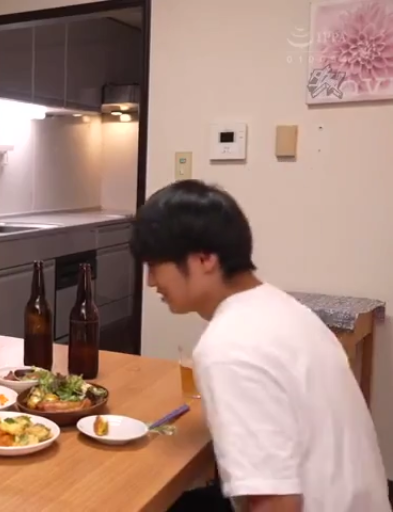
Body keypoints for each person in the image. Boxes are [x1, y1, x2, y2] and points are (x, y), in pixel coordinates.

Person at [131, 179, 390, 512]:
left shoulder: (227, 348)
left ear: (204, 258)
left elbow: (277, 502)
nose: (151, 281)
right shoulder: (285, 308)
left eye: (154, 266)